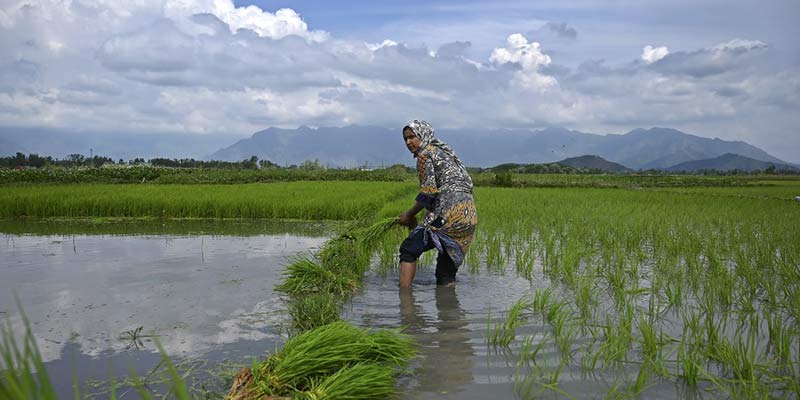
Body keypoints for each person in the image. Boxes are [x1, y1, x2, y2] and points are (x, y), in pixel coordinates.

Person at [397, 120, 478, 287]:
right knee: (445, 273)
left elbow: (428, 192)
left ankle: (404, 302)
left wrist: (409, 215)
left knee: (409, 249)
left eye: (412, 137)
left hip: (447, 216)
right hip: (467, 217)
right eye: (405, 139)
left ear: (423, 135)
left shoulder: (425, 155)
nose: (408, 142)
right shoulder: (445, 153)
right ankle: (449, 308)